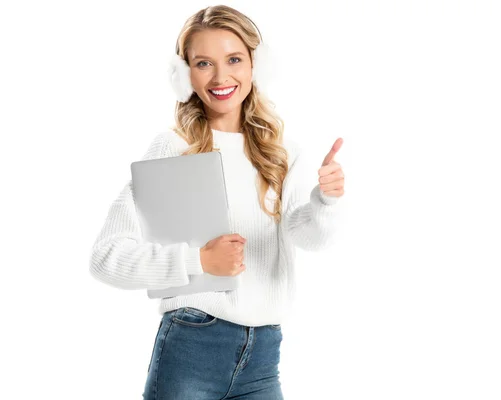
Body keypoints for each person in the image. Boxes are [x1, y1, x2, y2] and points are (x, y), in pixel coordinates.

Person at [88, 5, 345, 399]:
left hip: (263, 354)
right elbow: (106, 258)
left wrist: (324, 201)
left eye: (234, 59)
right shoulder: (174, 149)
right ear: (184, 74)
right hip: (192, 346)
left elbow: (309, 238)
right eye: (203, 62)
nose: (221, 77)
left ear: (256, 65)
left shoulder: (282, 153)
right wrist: (200, 262)